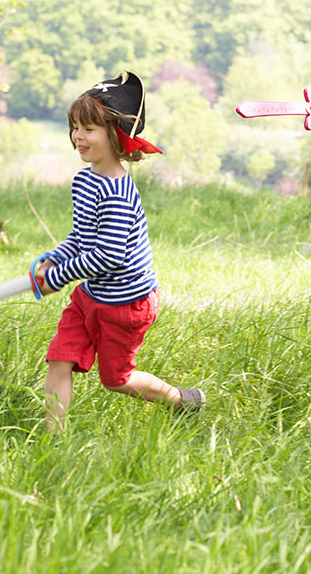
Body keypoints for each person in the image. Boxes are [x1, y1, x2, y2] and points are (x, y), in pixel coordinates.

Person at [36, 71, 205, 432]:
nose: (78, 136)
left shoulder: (115, 192)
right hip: (90, 295)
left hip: (126, 305)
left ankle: (182, 400)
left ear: (116, 136)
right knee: (59, 359)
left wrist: (58, 277)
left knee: (116, 379)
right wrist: (55, 258)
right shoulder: (86, 178)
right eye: (75, 127)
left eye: (89, 129)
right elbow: (83, 236)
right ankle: (52, 440)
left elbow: (108, 255)